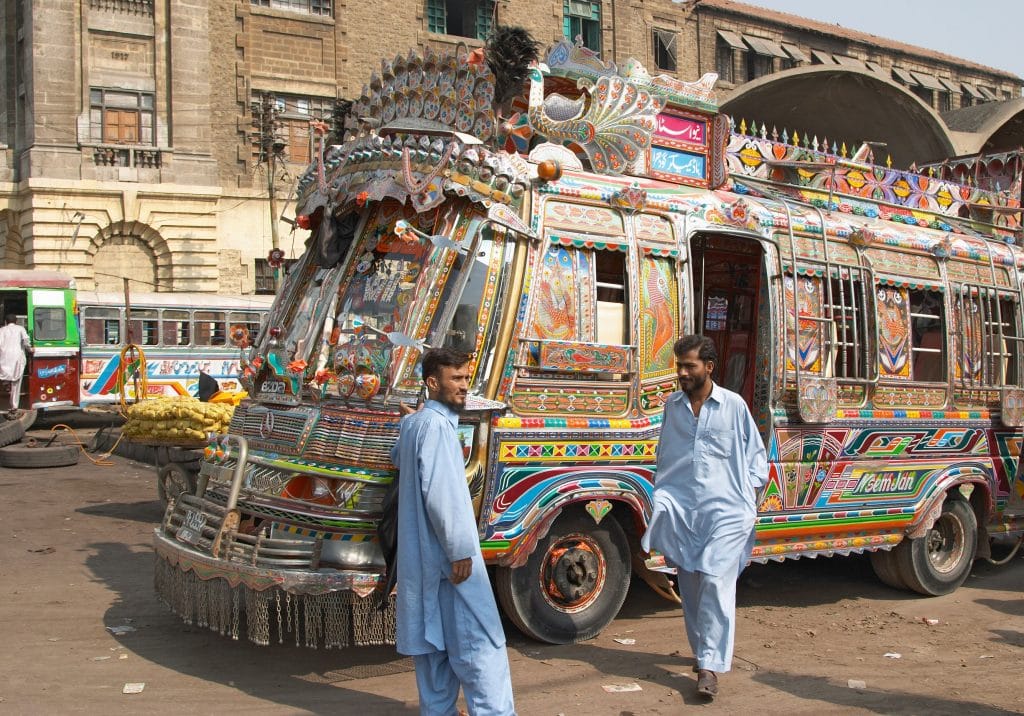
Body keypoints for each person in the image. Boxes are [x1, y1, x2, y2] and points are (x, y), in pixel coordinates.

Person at [390, 347, 516, 716]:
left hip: (425, 562)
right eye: (456, 379)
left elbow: (399, 458)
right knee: (480, 648)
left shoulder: (418, 424)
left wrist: (411, 419)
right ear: (432, 383)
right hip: (450, 561)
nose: (464, 387)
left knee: (435, 651)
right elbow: (441, 494)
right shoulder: (434, 427)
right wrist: (460, 549)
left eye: (466, 378)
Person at [641, 334, 768, 701]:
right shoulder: (672, 406)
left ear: (709, 367)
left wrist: (748, 497)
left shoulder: (733, 406)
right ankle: (702, 653)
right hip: (684, 510)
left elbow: (756, 456)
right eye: (679, 365)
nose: (681, 372)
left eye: (689, 366)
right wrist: (662, 495)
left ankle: (710, 666)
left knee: (714, 579)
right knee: (692, 585)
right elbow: (666, 454)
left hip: (727, 511)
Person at [0, 314, 32, 419]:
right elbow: (26, 341)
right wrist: (30, 349)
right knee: (16, 383)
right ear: (16, 321)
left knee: (5, 377)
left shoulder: (2, 330)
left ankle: (5, 385)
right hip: (17, 359)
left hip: (4, 359)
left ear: (5, 321)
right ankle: (14, 406)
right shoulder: (20, 329)